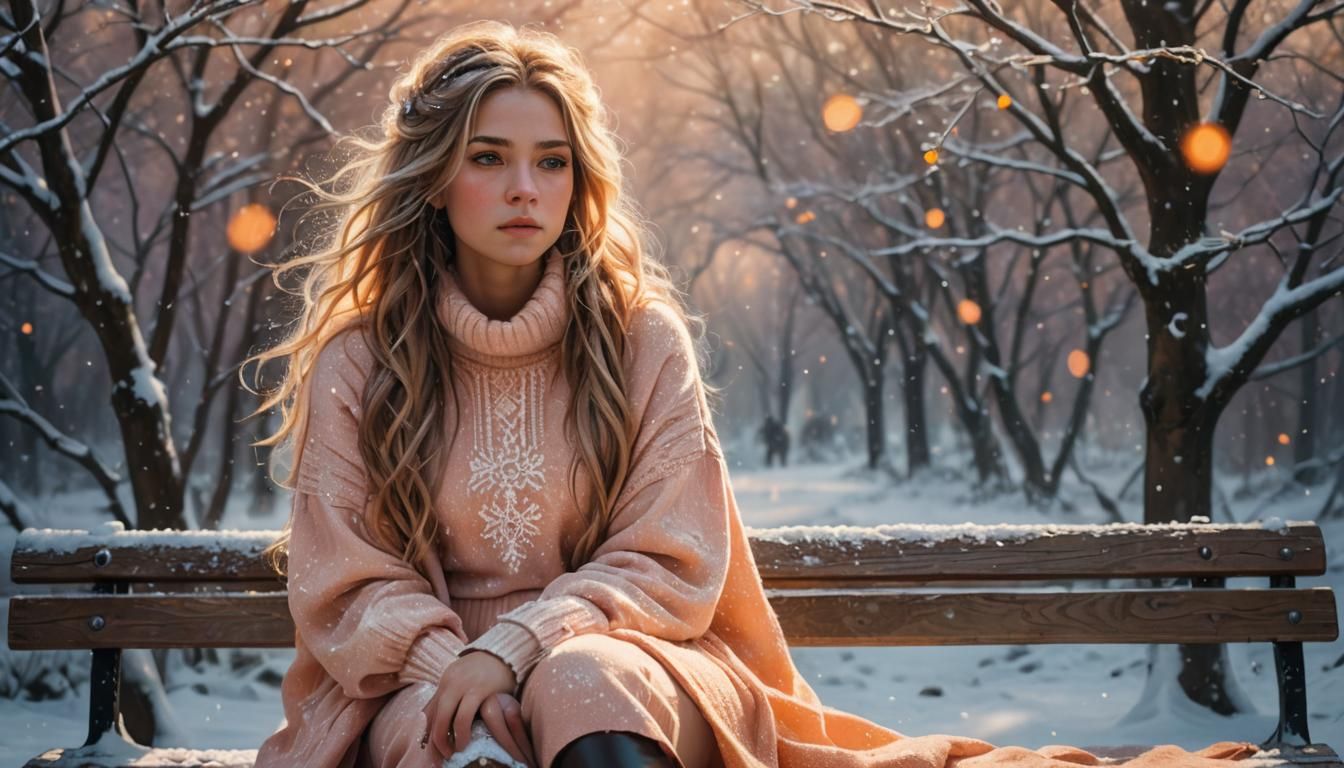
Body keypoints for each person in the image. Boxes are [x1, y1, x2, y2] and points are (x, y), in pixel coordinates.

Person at [243, 20, 1261, 768]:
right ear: (431, 178)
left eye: (551, 162)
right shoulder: (365, 360)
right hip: (412, 679)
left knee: (581, 681)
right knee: (438, 745)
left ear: (579, 180)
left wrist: (517, 649)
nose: (525, 190)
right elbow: (346, 576)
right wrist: (454, 667)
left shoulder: (637, 339)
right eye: (489, 159)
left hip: (635, 663)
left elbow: (670, 558)